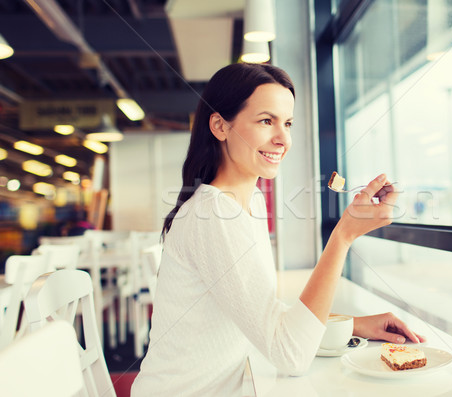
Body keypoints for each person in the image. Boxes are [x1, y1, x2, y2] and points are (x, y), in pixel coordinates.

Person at [131, 63, 425, 396]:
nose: (283, 139)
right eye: (266, 121)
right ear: (219, 126)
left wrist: (353, 325)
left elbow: (260, 314)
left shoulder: (251, 200)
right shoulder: (212, 214)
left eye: (287, 123)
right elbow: (291, 355)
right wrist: (343, 235)